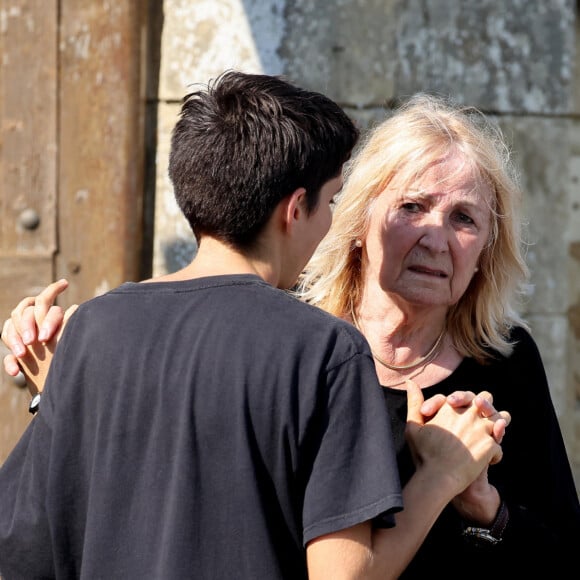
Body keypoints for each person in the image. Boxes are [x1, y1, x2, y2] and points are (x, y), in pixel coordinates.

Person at [0, 73, 506, 579]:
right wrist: (440, 475)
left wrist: (62, 393)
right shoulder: (323, 349)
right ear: (294, 210)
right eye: (331, 202)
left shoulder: (93, 328)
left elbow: (24, 548)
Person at [297, 93, 580, 575]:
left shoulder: (504, 360)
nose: (435, 238)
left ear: (486, 252)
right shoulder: (298, 343)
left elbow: (564, 555)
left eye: (463, 218)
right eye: (413, 206)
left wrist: (486, 507)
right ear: (360, 220)